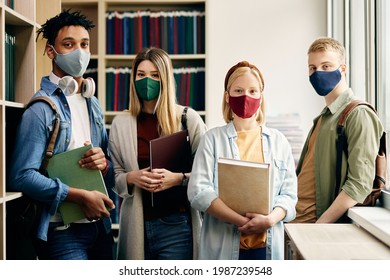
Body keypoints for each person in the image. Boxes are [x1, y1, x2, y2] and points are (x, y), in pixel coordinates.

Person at [8, 10, 116, 260]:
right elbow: (21, 176)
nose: (79, 52)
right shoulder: (41, 109)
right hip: (62, 234)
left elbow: (109, 166)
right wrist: (77, 196)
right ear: (50, 51)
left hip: (100, 228)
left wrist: (104, 164)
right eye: (69, 44)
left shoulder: (93, 103)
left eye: (84, 44)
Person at [187, 61, 297, 260]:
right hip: (223, 248)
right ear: (227, 97)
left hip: (266, 249)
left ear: (261, 97)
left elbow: (289, 196)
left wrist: (269, 220)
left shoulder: (279, 141)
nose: (246, 96)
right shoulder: (212, 139)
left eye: (253, 91)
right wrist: (241, 222)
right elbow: (198, 192)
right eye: (238, 90)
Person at [108, 47, 207, 260]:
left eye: (155, 75)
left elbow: (209, 176)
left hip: (177, 226)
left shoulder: (188, 119)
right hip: (137, 225)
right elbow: (114, 178)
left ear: (165, 79)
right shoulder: (121, 123)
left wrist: (178, 179)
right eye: (141, 75)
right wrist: (131, 177)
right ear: (133, 78)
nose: (147, 81)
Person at [293, 37, 384, 223]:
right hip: (295, 224)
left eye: (326, 66)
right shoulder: (324, 117)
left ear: (342, 69)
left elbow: (359, 184)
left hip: (314, 227)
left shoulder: (358, 114)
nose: (317, 73)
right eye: (312, 68)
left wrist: (320, 227)